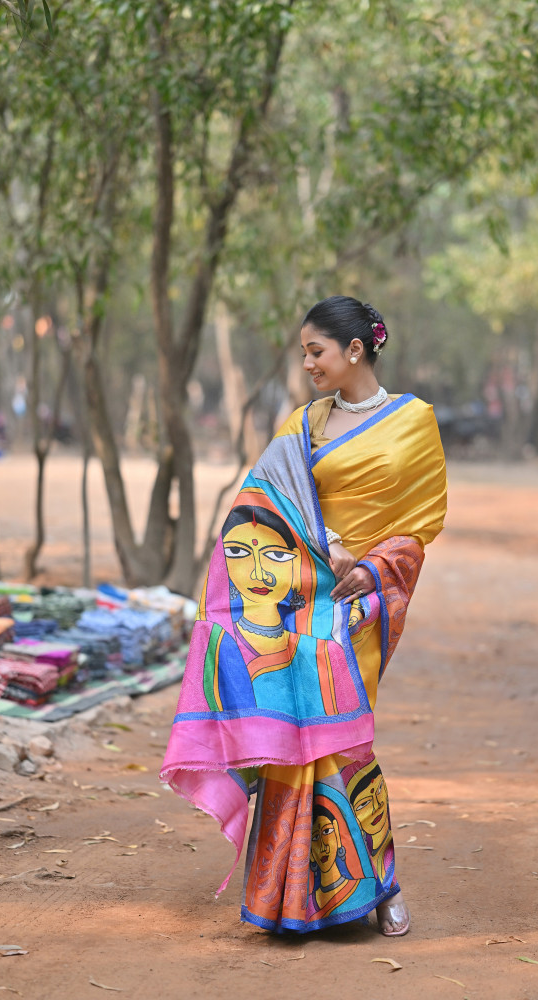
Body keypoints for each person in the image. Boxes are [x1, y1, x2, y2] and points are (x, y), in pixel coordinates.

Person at [161, 295, 447, 936]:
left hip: (359, 607)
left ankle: (380, 887)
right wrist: (322, 546)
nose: (308, 364)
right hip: (293, 599)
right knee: (291, 743)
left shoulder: (413, 422)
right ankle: (283, 896)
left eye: (316, 351)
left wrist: (366, 570)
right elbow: (260, 505)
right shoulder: (302, 425)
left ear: (354, 349)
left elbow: (419, 527)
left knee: (346, 742)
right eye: (303, 354)